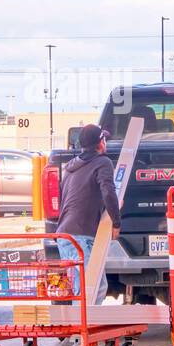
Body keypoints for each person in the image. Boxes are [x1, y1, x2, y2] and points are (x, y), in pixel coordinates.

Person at [56, 123, 121, 300]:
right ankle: (84, 327)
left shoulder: (71, 167)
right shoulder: (103, 162)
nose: (106, 142)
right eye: (104, 139)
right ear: (100, 143)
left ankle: (80, 326)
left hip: (65, 236)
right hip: (80, 237)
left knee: (83, 290)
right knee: (95, 287)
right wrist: (116, 223)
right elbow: (108, 191)